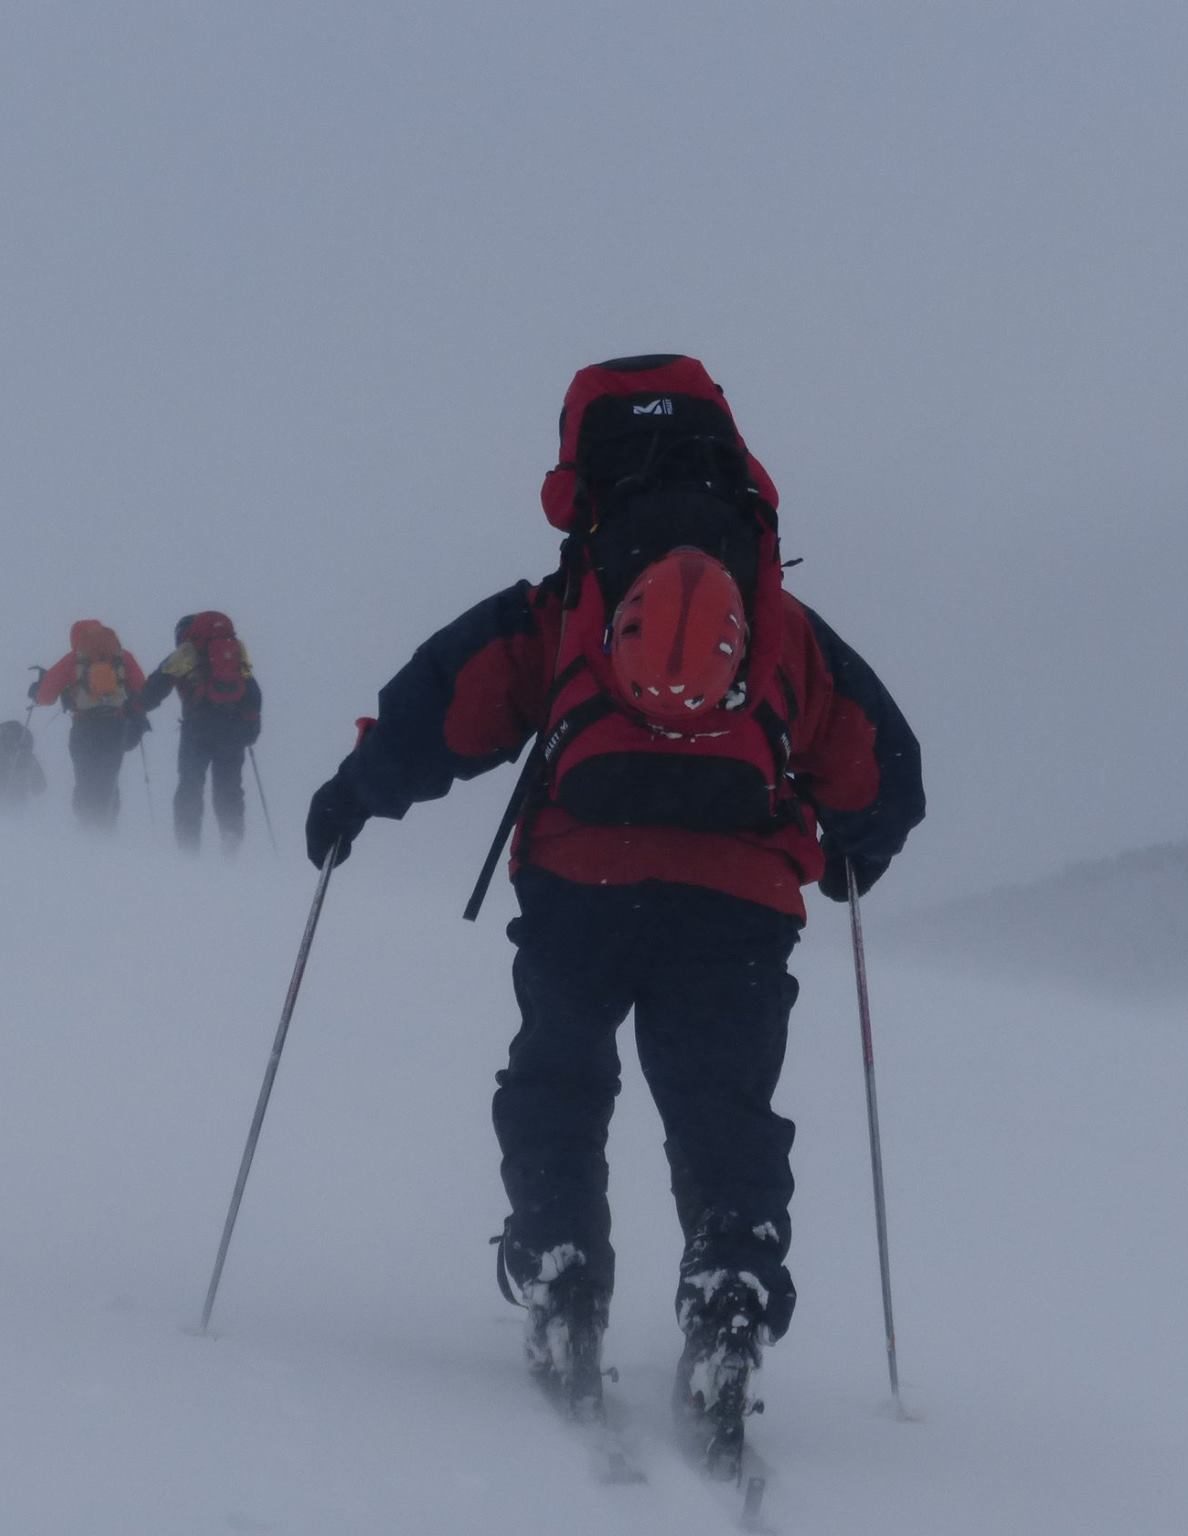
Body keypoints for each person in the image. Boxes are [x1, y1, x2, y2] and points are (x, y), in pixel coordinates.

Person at [301, 355, 924, 1468]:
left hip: (581, 882)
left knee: (558, 1074)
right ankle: (728, 1289)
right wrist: (852, 855)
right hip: (734, 901)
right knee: (722, 1107)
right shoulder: (780, 623)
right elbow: (883, 767)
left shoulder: (567, 600)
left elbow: (447, 706)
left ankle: (559, 1271)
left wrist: (355, 797)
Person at [138, 611, 263, 852]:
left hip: (198, 728)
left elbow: (158, 683)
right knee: (229, 786)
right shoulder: (235, 648)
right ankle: (231, 833)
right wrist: (252, 724)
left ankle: (188, 843)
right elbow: (252, 688)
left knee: (190, 784)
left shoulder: (187, 652)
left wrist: (136, 707)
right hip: (233, 727)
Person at [30, 620, 147, 830]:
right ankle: (108, 828)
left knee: (85, 779)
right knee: (109, 778)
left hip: (84, 728)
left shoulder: (74, 659)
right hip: (116, 726)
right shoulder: (122, 657)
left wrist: (38, 692)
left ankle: (87, 829)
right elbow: (143, 690)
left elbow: (46, 696)